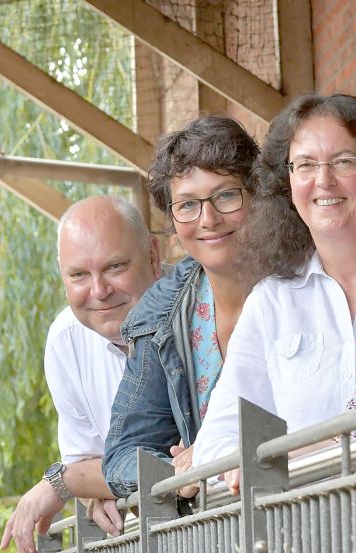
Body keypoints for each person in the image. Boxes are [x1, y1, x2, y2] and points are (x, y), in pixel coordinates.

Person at [190, 94, 356, 494]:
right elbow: (215, 441)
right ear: (287, 184)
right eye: (305, 165)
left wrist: (287, 454)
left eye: (343, 161)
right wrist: (243, 459)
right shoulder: (273, 303)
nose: (323, 180)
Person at [102, 115, 259, 499]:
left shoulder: (304, 281)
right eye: (187, 205)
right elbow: (122, 452)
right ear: (172, 219)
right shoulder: (161, 316)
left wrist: (209, 452)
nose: (208, 220)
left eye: (225, 195)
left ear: (258, 194)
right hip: (222, 524)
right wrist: (175, 471)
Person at [0, 196, 163, 553]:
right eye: (78, 275)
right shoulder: (65, 341)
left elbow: (179, 458)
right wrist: (98, 485)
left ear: (153, 254)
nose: (99, 291)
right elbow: (91, 463)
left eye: (115, 266)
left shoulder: (197, 311)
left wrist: (66, 483)